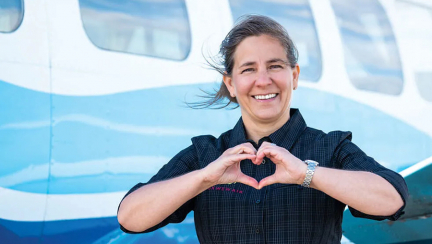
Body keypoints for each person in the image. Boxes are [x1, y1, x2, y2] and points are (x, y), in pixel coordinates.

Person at [117, 15, 408, 244]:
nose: (263, 80)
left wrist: (307, 174)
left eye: (275, 66)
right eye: (248, 69)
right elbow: (130, 218)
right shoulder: (205, 155)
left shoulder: (330, 148)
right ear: (230, 84)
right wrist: (204, 178)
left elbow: (391, 199)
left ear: (294, 76)